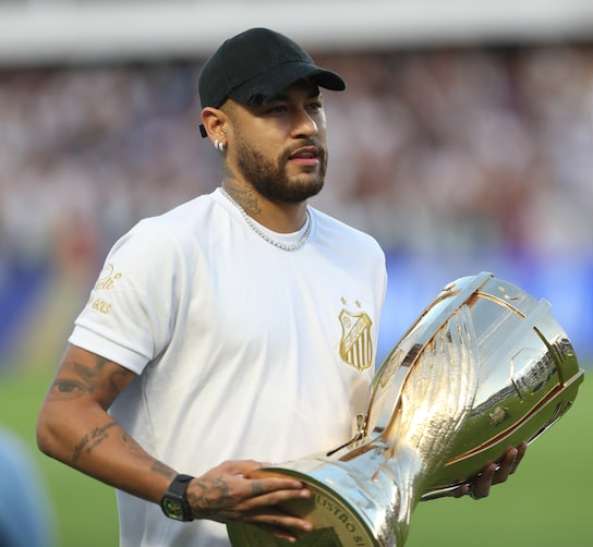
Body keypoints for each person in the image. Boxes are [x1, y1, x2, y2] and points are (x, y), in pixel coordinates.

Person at [36, 28, 526, 547]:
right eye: (275, 110)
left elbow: (343, 455)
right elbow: (63, 416)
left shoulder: (361, 256)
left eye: (313, 108)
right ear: (217, 126)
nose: (305, 127)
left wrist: (447, 466)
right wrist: (187, 492)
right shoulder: (167, 248)